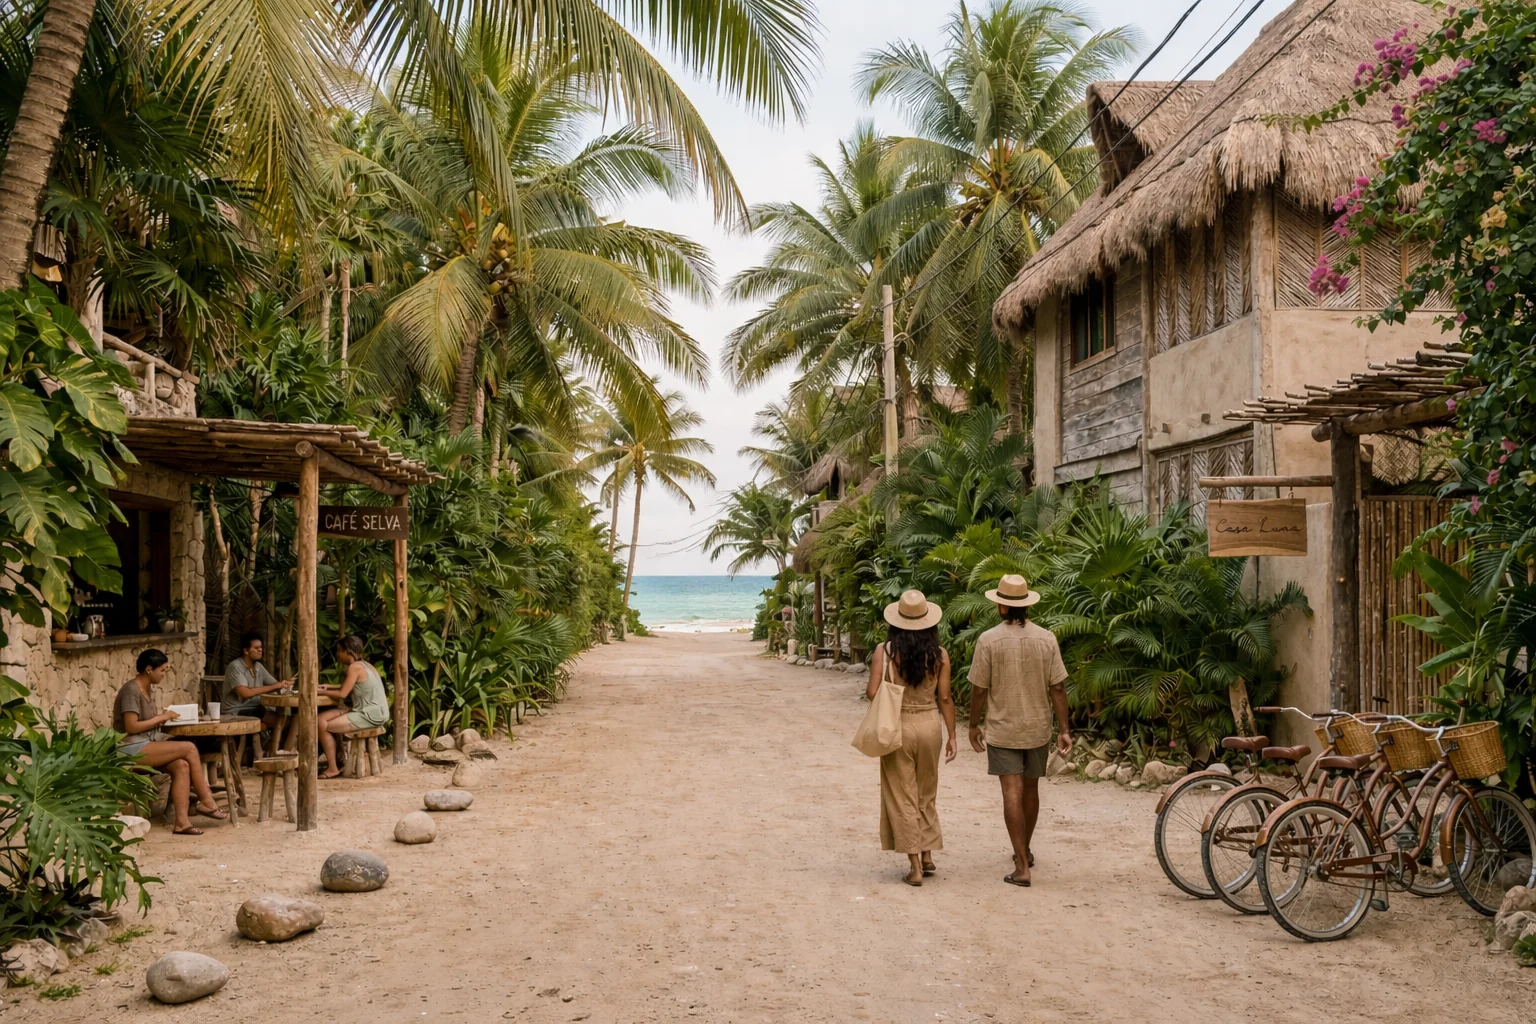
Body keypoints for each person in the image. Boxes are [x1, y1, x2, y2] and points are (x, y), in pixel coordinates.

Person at [968, 574, 1072, 887]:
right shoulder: (1047, 638)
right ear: (1026, 605)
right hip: (1037, 727)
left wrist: (973, 724)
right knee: (1031, 790)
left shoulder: (988, 639)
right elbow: (1058, 688)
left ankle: (1022, 865)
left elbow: (979, 690)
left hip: (1003, 728)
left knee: (1010, 793)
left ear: (1001, 605)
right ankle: (1024, 850)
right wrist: (1064, 728)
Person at [867, 589, 957, 887]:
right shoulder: (939, 654)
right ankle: (928, 855)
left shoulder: (886, 650)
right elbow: (945, 698)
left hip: (898, 725)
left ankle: (915, 866)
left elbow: (872, 692)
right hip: (930, 723)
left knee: (901, 793)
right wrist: (953, 735)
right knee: (926, 792)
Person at [113, 648, 228, 835]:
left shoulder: (148, 690)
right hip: (128, 749)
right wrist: (161, 717)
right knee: (189, 748)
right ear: (149, 669)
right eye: (162, 670)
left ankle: (182, 823)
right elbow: (131, 727)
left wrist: (164, 717)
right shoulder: (131, 690)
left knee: (181, 765)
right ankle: (207, 801)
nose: (164, 674)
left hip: (146, 743)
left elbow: (147, 723)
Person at [316, 635, 391, 779]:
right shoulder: (366, 665)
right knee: (321, 719)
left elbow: (343, 694)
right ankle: (338, 761)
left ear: (348, 651)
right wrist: (328, 687)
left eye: (339, 650)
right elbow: (352, 685)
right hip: (373, 711)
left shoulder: (354, 667)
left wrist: (320, 691)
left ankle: (333, 768)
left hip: (369, 714)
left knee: (322, 725)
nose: (337, 654)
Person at [221, 631, 289, 734]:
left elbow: (275, 684)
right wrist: (276, 686)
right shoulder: (235, 667)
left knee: (287, 719)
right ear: (246, 651)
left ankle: (274, 748)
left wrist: (285, 684)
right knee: (282, 721)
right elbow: (245, 693)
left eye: (261, 648)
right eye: (256, 648)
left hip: (256, 710)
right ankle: (273, 749)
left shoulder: (258, 666)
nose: (260, 650)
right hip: (236, 712)